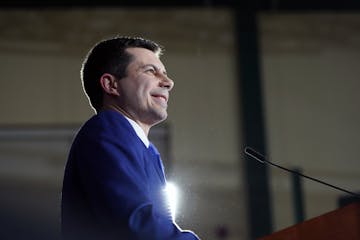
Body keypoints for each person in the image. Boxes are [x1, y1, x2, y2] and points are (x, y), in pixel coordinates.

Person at [61, 36, 200, 240]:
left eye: (165, 73)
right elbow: (135, 224)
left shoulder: (146, 148)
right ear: (111, 85)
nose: (168, 82)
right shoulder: (107, 129)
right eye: (150, 71)